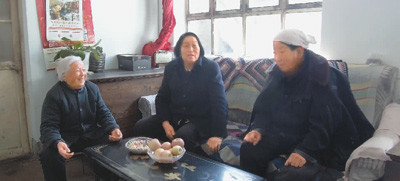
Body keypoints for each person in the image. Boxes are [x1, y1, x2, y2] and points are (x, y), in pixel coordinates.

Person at [240, 29, 374, 180]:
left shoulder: (322, 74)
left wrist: (304, 151)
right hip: (284, 134)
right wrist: (258, 129)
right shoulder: (276, 73)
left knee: (291, 174)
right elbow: (264, 108)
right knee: (249, 149)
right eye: (275, 52)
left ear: (299, 51)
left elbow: (325, 123)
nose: (277, 58)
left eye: (282, 52)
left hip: (318, 141)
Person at [133, 32, 228, 154]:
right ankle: (150, 161)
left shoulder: (210, 68)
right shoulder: (171, 67)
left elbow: (219, 102)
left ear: (200, 49)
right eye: (186, 46)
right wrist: (165, 122)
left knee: (182, 137)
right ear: (179, 49)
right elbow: (162, 98)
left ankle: (179, 170)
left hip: (200, 120)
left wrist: (218, 135)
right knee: (141, 126)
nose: (191, 50)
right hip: (174, 117)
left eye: (195, 45)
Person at [39, 56, 123, 181]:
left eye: (84, 70)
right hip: (66, 138)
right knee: (49, 155)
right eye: (78, 71)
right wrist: (57, 141)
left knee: (116, 144)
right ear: (64, 76)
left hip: (91, 134)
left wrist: (113, 127)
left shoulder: (92, 89)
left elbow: (103, 113)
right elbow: (48, 126)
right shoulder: (54, 95)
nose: (83, 74)